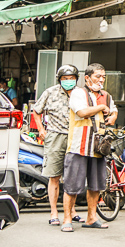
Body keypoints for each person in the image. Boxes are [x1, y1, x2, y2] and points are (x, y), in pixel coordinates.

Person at [61, 64, 117, 232]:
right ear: (87, 78)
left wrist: (113, 116)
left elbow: (113, 111)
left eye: (103, 77)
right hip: (79, 145)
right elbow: (81, 112)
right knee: (71, 185)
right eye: (97, 76)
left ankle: (92, 217)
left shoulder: (106, 95)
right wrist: (101, 108)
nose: (101, 80)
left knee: (96, 184)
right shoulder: (78, 93)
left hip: (98, 146)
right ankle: (67, 219)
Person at [30, 64, 81, 226]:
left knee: (72, 177)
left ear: (76, 79)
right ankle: (53, 212)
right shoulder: (50, 92)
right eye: (65, 79)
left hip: (75, 137)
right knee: (54, 177)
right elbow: (36, 111)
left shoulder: (81, 94)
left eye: (71, 78)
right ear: (59, 80)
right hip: (55, 136)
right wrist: (41, 129)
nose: (68, 81)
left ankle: (72, 211)